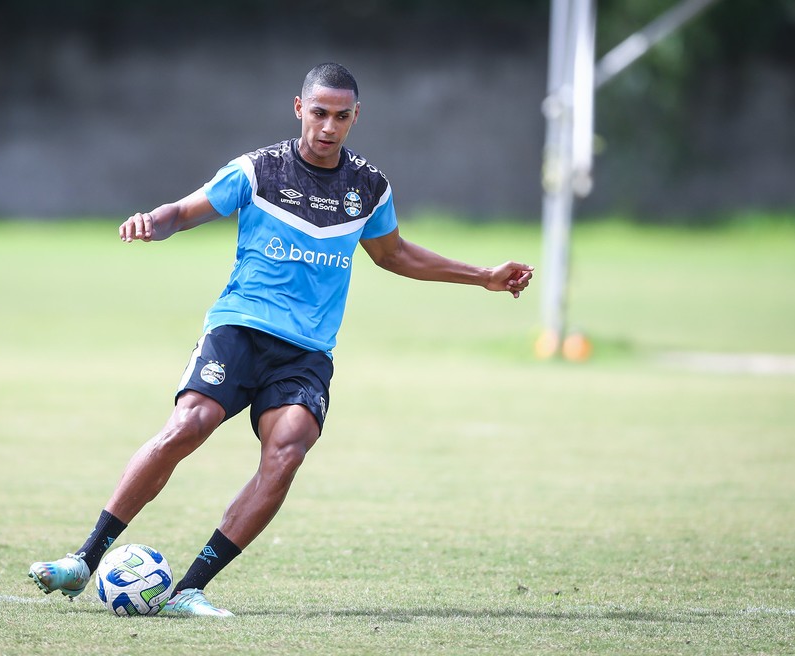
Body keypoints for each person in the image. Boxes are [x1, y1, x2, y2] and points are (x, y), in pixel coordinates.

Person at [29, 62, 533, 617]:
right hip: (240, 329)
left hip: (306, 353)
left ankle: (190, 589)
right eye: (319, 113)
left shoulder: (368, 188)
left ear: (355, 117)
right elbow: (186, 210)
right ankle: (84, 559)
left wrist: (483, 275)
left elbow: (395, 255)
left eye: (341, 116)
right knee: (187, 426)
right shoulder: (258, 171)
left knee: (288, 449)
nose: (328, 126)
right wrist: (155, 220)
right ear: (299, 108)